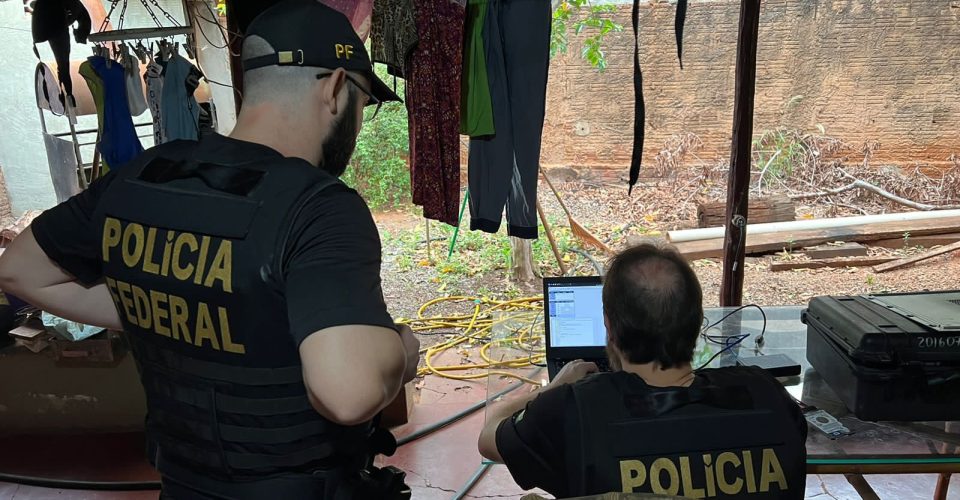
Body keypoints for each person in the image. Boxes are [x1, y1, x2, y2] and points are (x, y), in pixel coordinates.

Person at [0, 1, 419, 498]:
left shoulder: (144, 175)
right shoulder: (318, 207)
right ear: (334, 88)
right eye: (363, 101)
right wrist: (402, 349)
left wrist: (157, 305)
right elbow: (350, 395)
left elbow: (20, 271)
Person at [479, 242, 808, 499]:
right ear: (696, 323)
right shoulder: (768, 395)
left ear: (609, 327)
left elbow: (489, 435)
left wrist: (552, 388)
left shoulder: (570, 410)